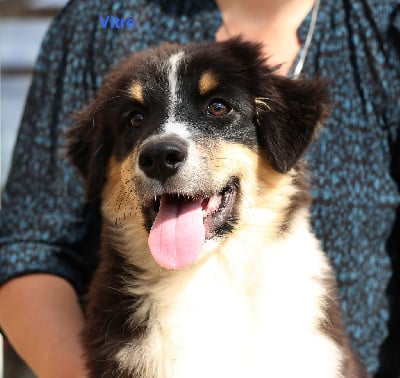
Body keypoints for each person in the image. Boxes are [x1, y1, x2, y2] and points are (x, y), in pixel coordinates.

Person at [0, 0, 399, 376]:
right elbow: (28, 248)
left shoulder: (384, 25)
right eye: (135, 120)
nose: (159, 145)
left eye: (218, 108)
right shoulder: (106, 18)